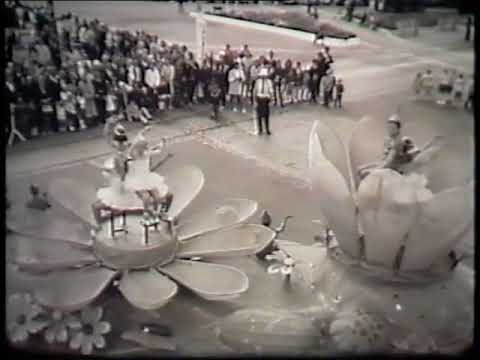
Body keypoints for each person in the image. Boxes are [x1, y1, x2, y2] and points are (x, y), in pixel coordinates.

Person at [253, 67, 274, 136]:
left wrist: (271, 99)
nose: (264, 77)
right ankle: (260, 129)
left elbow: (271, 91)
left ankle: (267, 129)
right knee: (259, 116)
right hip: (259, 99)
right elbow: (255, 91)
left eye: (265, 76)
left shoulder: (269, 82)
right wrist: (255, 101)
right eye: (262, 75)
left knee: (266, 115)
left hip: (266, 99)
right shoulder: (257, 82)